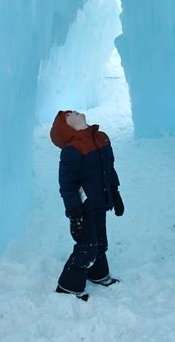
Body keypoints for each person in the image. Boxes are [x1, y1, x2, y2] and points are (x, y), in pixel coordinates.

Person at [50, 109, 125, 301]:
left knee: (101, 242)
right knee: (87, 246)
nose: (71, 111)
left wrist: (115, 193)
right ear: (66, 130)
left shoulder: (101, 138)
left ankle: (97, 274)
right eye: (67, 115)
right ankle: (68, 286)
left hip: (101, 202)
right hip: (84, 208)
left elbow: (110, 169)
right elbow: (67, 185)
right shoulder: (72, 150)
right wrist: (74, 212)